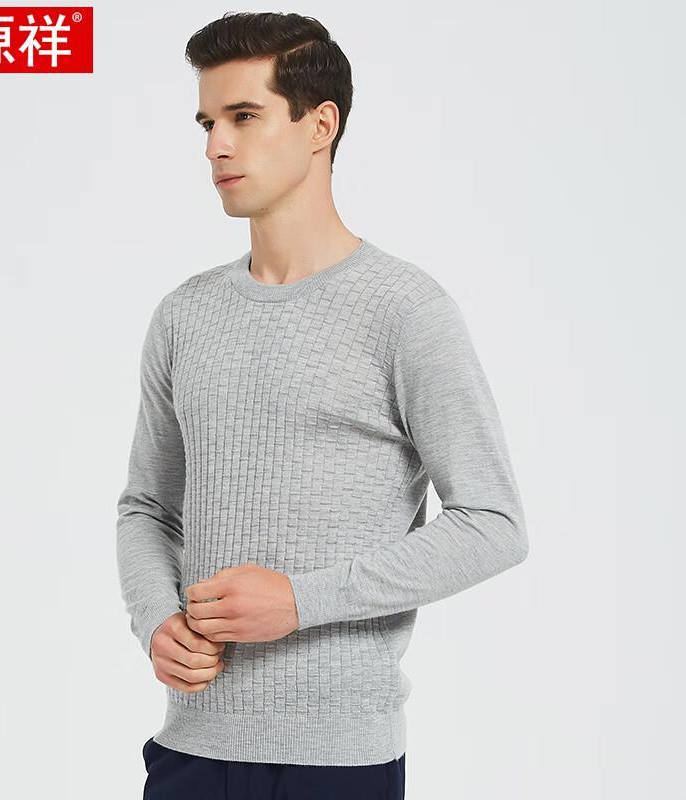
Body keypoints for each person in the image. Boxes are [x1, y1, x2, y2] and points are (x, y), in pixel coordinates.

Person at [116, 11, 529, 799]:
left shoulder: (406, 310)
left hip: (341, 764)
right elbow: (147, 507)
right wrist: (155, 619)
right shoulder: (184, 315)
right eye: (207, 122)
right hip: (191, 749)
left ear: (320, 125)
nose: (215, 146)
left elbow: (494, 523)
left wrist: (301, 601)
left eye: (244, 116)